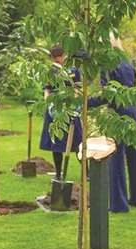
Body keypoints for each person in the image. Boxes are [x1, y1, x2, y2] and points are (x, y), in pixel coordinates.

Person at [88, 33, 136, 213]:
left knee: (116, 160)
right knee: (134, 157)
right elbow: (131, 86)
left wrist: (86, 103)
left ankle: (118, 204)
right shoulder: (128, 61)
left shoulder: (107, 64)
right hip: (135, 111)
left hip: (119, 116)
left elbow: (108, 95)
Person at [39, 45, 83, 181]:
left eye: (61, 57)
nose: (59, 60)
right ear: (52, 58)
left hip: (71, 109)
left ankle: (86, 172)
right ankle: (58, 173)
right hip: (55, 110)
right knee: (56, 142)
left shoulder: (74, 70)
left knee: (77, 141)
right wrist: (49, 103)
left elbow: (77, 88)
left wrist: (75, 104)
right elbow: (47, 90)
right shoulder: (51, 72)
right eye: (56, 58)